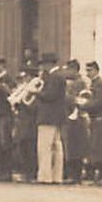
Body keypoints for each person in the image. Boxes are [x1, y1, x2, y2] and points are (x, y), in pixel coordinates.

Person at [34, 54, 70, 184]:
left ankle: (45, 176)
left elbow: (49, 95)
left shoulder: (53, 77)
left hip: (48, 116)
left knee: (45, 147)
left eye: (43, 64)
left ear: (48, 64)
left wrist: (35, 92)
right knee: (56, 146)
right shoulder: (58, 76)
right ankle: (56, 176)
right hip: (56, 116)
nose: (42, 67)